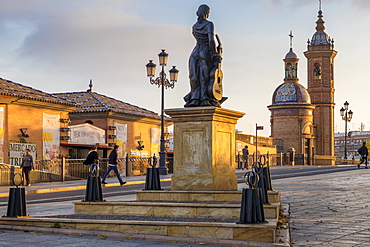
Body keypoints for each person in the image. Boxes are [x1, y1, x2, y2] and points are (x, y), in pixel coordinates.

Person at [184, 4, 222, 107]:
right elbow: (210, 40)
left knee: (194, 75)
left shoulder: (194, 26)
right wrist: (214, 53)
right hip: (205, 50)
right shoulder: (209, 24)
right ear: (206, 13)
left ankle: (195, 98)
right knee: (205, 76)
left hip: (195, 51)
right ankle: (205, 98)